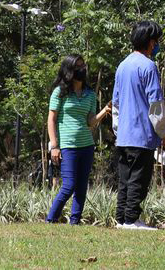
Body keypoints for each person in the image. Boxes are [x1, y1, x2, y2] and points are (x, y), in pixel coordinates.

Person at [113, 21, 165, 231]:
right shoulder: (148, 66)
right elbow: (155, 105)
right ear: (149, 42)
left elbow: (116, 104)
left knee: (125, 180)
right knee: (139, 178)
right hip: (142, 135)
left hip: (124, 136)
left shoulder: (122, 65)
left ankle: (121, 218)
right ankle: (132, 220)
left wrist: (117, 131)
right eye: (156, 41)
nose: (156, 45)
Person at [45, 54, 112, 224]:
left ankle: (74, 222)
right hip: (67, 146)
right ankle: (50, 220)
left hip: (87, 146)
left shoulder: (90, 94)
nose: (82, 69)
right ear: (69, 70)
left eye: (83, 66)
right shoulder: (60, 92)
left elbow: (90, 122)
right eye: (78, 67)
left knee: (81, 187)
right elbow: (51, 120)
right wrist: (54, 146)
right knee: (68, 186)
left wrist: (104, 110)